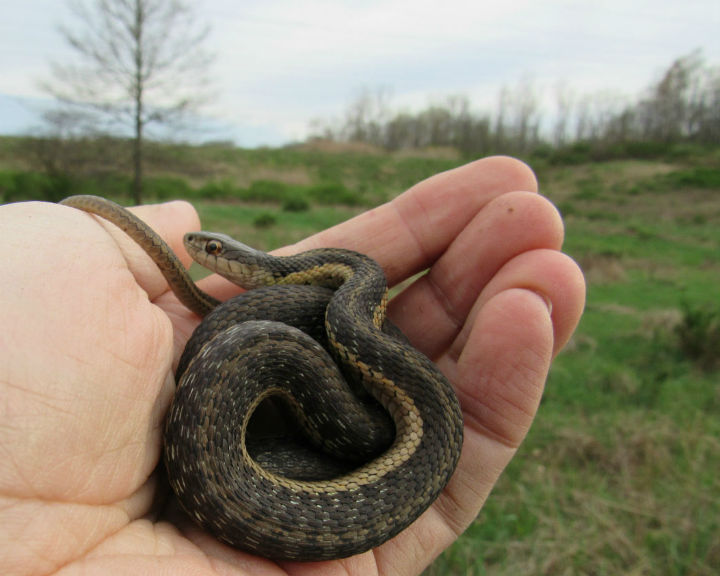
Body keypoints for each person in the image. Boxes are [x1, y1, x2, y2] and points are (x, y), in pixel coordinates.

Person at [0, 156, 584, 576]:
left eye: (217, 251)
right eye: (208, 250)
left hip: (348, 432)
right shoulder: (313, 310)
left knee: (359, 421)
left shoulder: (352, 301)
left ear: (257, 267)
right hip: (218, 472)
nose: (206, 252)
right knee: (259, 351)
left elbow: (350, 332)